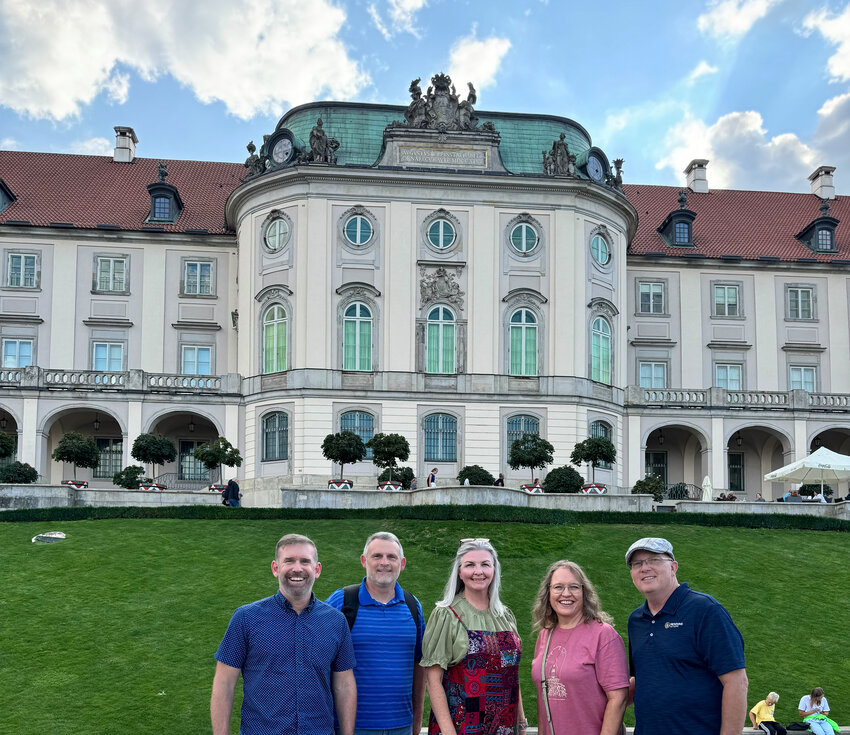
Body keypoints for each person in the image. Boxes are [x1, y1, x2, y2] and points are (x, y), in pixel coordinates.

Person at [211, 534, 356, 735]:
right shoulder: (246, 618)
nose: (297, 568)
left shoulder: (336, 622)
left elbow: (345, 685)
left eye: (305, 561)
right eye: (289, 561)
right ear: (275, 568)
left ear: (317, 569)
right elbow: (224, 684)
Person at [626, 537, 747, 735]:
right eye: (637, 563)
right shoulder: (636, 620)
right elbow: (641, 678)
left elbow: (737, 682)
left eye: (654, 560)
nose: (644, 568)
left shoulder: (706, 611)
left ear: (673, 567)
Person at [420, 538, 526, 735]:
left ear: (494, 570)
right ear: (460, 572)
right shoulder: (447, 614)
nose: (478, 571)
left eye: (485, 564)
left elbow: (512, 675)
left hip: (504, 727)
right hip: (462, 727)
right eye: (470, 565)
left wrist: (521, 723)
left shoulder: (506, 616)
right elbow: (433, 680)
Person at [326, 532, 425, 735]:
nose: (384, 563)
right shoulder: (342, 602)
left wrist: (417, 720)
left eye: (392, 557)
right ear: (364, 561)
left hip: (401, 726)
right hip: (352, 726)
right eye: (377, 556)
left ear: (402, 563)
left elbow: (419, 665)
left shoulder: (413, 606)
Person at [531, 560, 628, 735]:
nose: (566, 594)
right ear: (548, 593)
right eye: (558, 587)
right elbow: (542, 697)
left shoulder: (603, 635)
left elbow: (618, 698)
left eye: (574, 587)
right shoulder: (545, 635)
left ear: (584, 592)